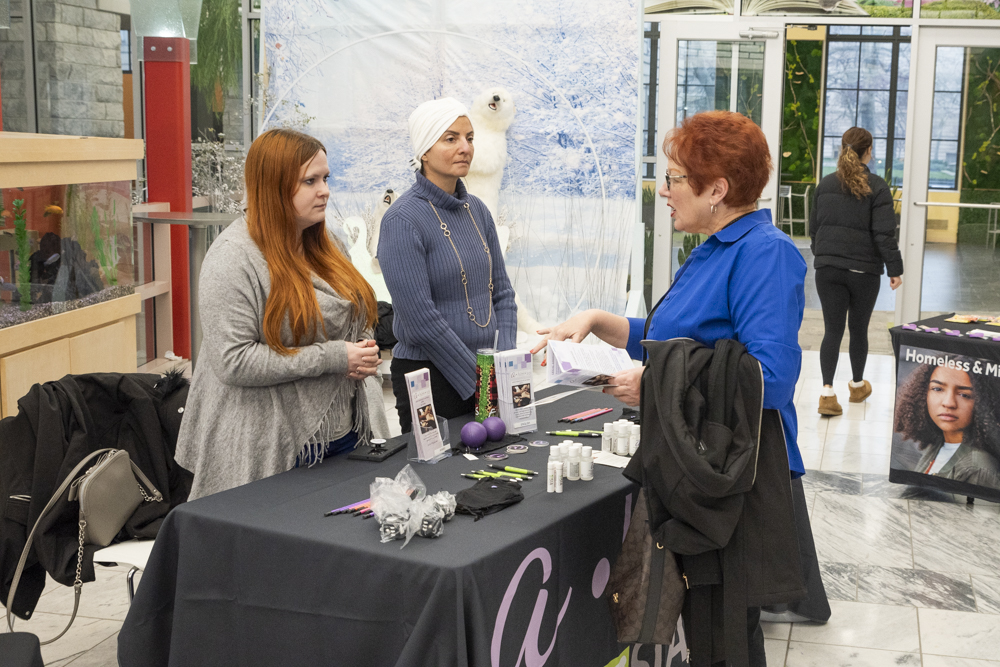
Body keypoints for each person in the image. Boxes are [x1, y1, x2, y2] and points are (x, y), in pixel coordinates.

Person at [532, 111, 827, 665]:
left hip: (736, 479)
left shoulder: (763, 253)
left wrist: (655, 383)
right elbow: (675, 340)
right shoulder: (714, 247)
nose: (663, 191)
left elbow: (768, 378)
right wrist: (601, 321)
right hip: (697, 469)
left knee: (723, 637)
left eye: (674, 178)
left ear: (716, 189)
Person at [175, 129, 389, 500]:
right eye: (310, 181)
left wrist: (360, 350)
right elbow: (233, 360)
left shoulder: (327, 243)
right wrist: (336, 357)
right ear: (272, 186)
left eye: (325, 178)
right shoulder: (232, 257)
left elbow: (356, 313)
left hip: (343, 433)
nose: (324, 190)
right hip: (275, 446)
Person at [378, 98, 517, 433]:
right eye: (451, 138)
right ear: (424, 150)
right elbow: (420, 320)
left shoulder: (478, 211)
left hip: (485, 375)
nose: (465, 147)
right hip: (429, 377)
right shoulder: (402, 220)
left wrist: (505, 363)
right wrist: (482, 384)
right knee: (437, 480)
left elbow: (503, 294)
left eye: (469, 138)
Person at [810, 126, 903, 416]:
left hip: (827, 269)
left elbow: (814, 230)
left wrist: (825, 255)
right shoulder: (877, 186)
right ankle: (857, 385)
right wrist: (894, 269)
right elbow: (884, 233)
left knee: (832, 331)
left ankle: (827, 394)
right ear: (868, 152)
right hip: (863, 272)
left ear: (842, 149)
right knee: (858, 329)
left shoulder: (824, 184)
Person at [894, 360, 1000, 488]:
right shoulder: (939, 444)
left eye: (964, 395)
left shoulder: (979, 468)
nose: (949, 403)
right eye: (938, 389)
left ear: (983, 403)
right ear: (922, 394)